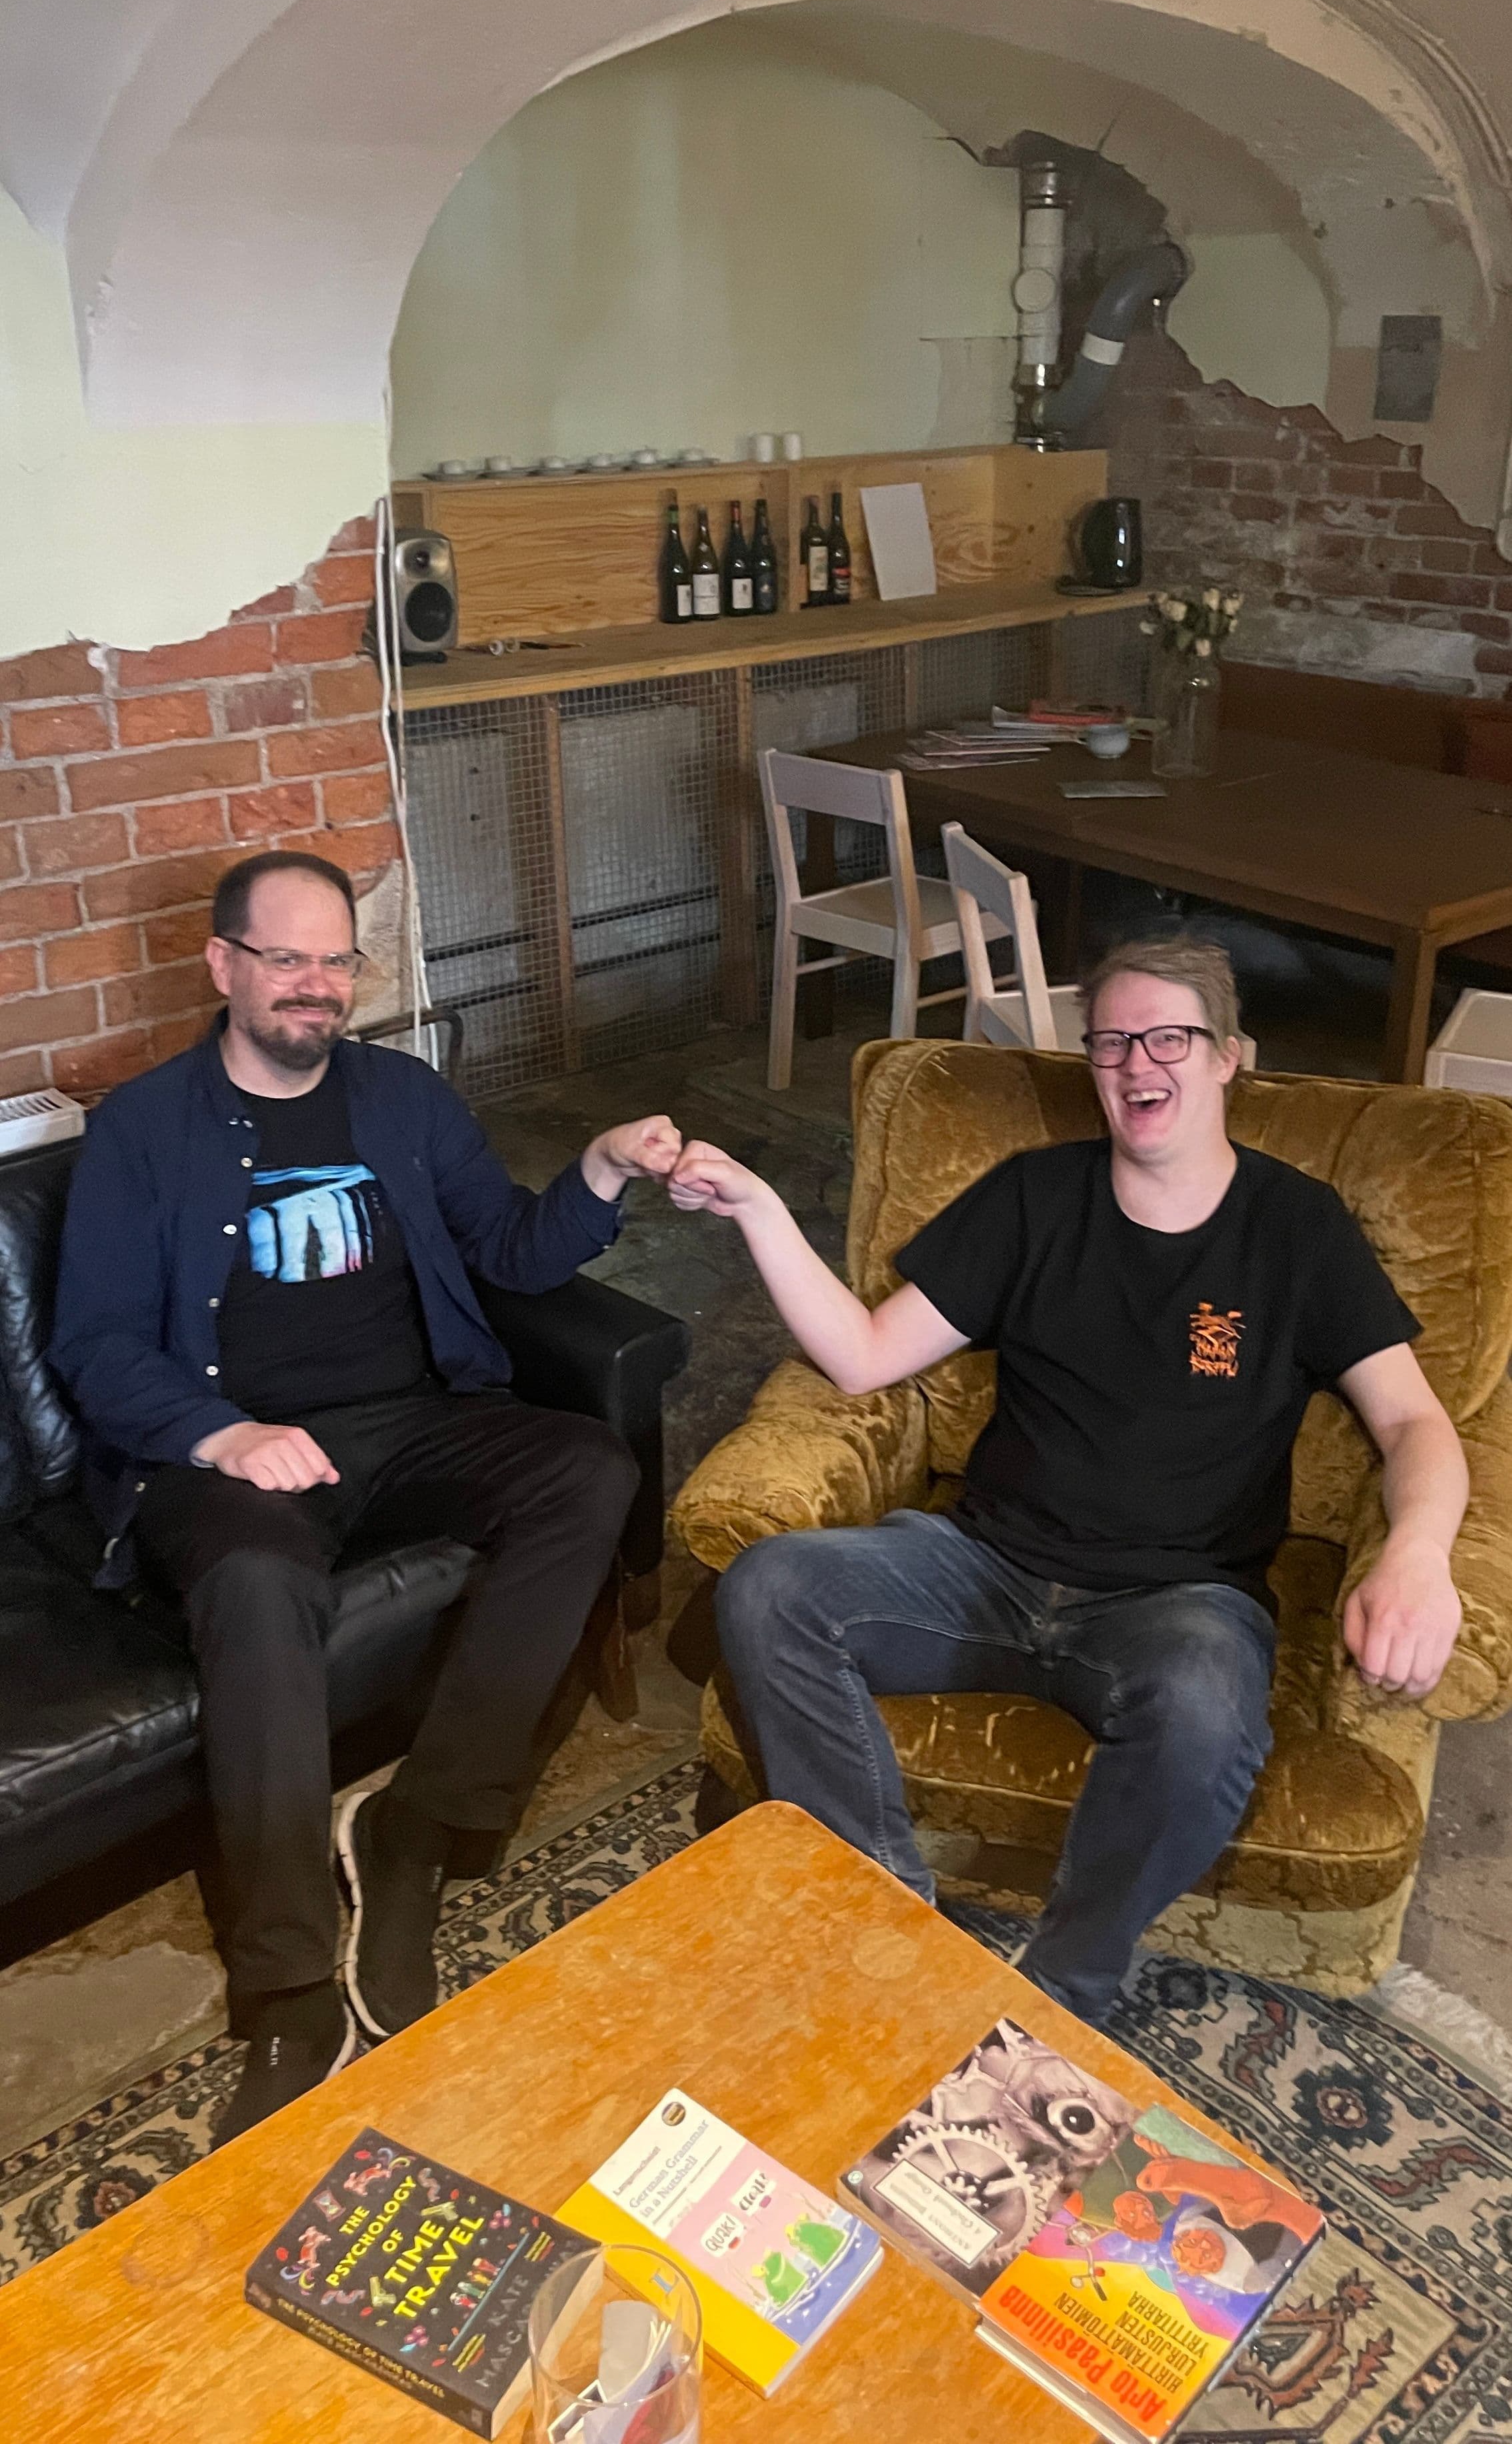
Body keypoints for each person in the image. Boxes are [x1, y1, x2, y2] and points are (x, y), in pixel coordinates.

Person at [667, 935, 1466, 2026]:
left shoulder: (1298, 1228)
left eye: (1169, 1038)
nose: (1138, 1064)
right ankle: (880, 1915)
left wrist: (1418, 1552)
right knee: (769, 1589)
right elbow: (861, 1354)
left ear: (1228, 1056)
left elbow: (1416, 1421)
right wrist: (760, 1209)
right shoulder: (1033, 1197)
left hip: (1178, 1600)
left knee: (1204, 1710)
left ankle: (1059, 1993)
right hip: (981, 1568)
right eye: (1112, 1042)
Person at [51, 850, 681, 2139]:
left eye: (337, 959)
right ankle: (287, 1982)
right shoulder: (141, 1129)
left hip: (412, 1423)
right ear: (223, 965)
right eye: (285, 957)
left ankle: (416, 1832)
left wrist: (603, 1169)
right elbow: (96, 1346)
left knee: (589, 1470)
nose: (317, 985)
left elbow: (507, 1248)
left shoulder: (404, 1099)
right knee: (255, 1580)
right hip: (231, 1456)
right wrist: (226, 1434)